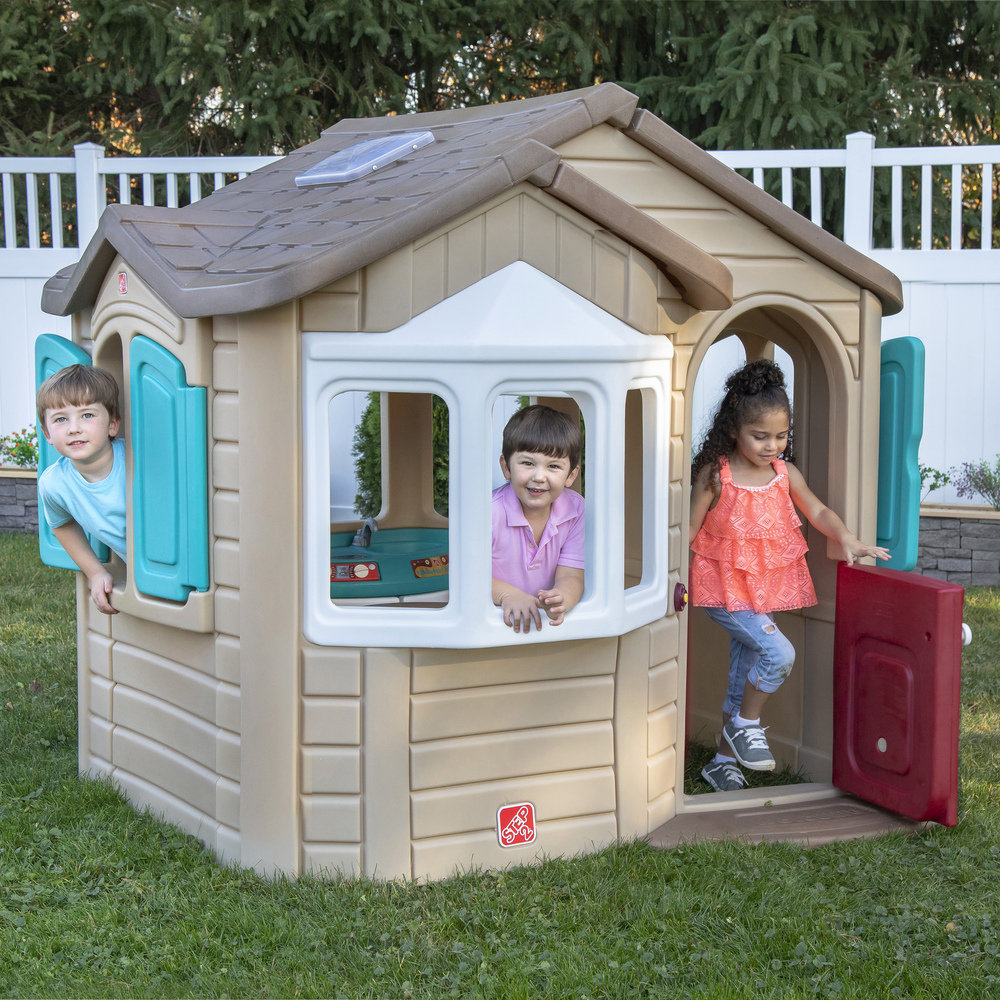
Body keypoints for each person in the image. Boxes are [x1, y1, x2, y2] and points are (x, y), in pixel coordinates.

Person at [689, 359, 889, 792]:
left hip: (761, 595)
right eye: (760, 436)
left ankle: (722, 760)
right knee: (778, 654)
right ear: (733, 430)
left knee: (744, 671)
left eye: (781, 436)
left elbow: (816, 510)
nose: (771, 446)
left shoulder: (783, 474)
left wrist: (848, 538)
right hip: (724, 592)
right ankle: (746, 724)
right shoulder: (716, 475)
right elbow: (686, 530)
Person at [36, 364, 125, 615]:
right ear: (47, 434)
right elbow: (61, 525)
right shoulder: (54, 484)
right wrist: (95, 572)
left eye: (87, 415)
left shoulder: (135, 460)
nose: (74, 427)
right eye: (61, 419)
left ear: (112, 425)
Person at [492, 404, 585, 633]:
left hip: (543, 631)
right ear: (506, 467)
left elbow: (572, 574)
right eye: (527, 463)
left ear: (571, 475)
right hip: (493, 624)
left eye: (553, 466)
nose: (539, 476)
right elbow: (465, 578)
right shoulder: (489, 512)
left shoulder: (575, 510)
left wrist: (563, 597)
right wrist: (508, 595)